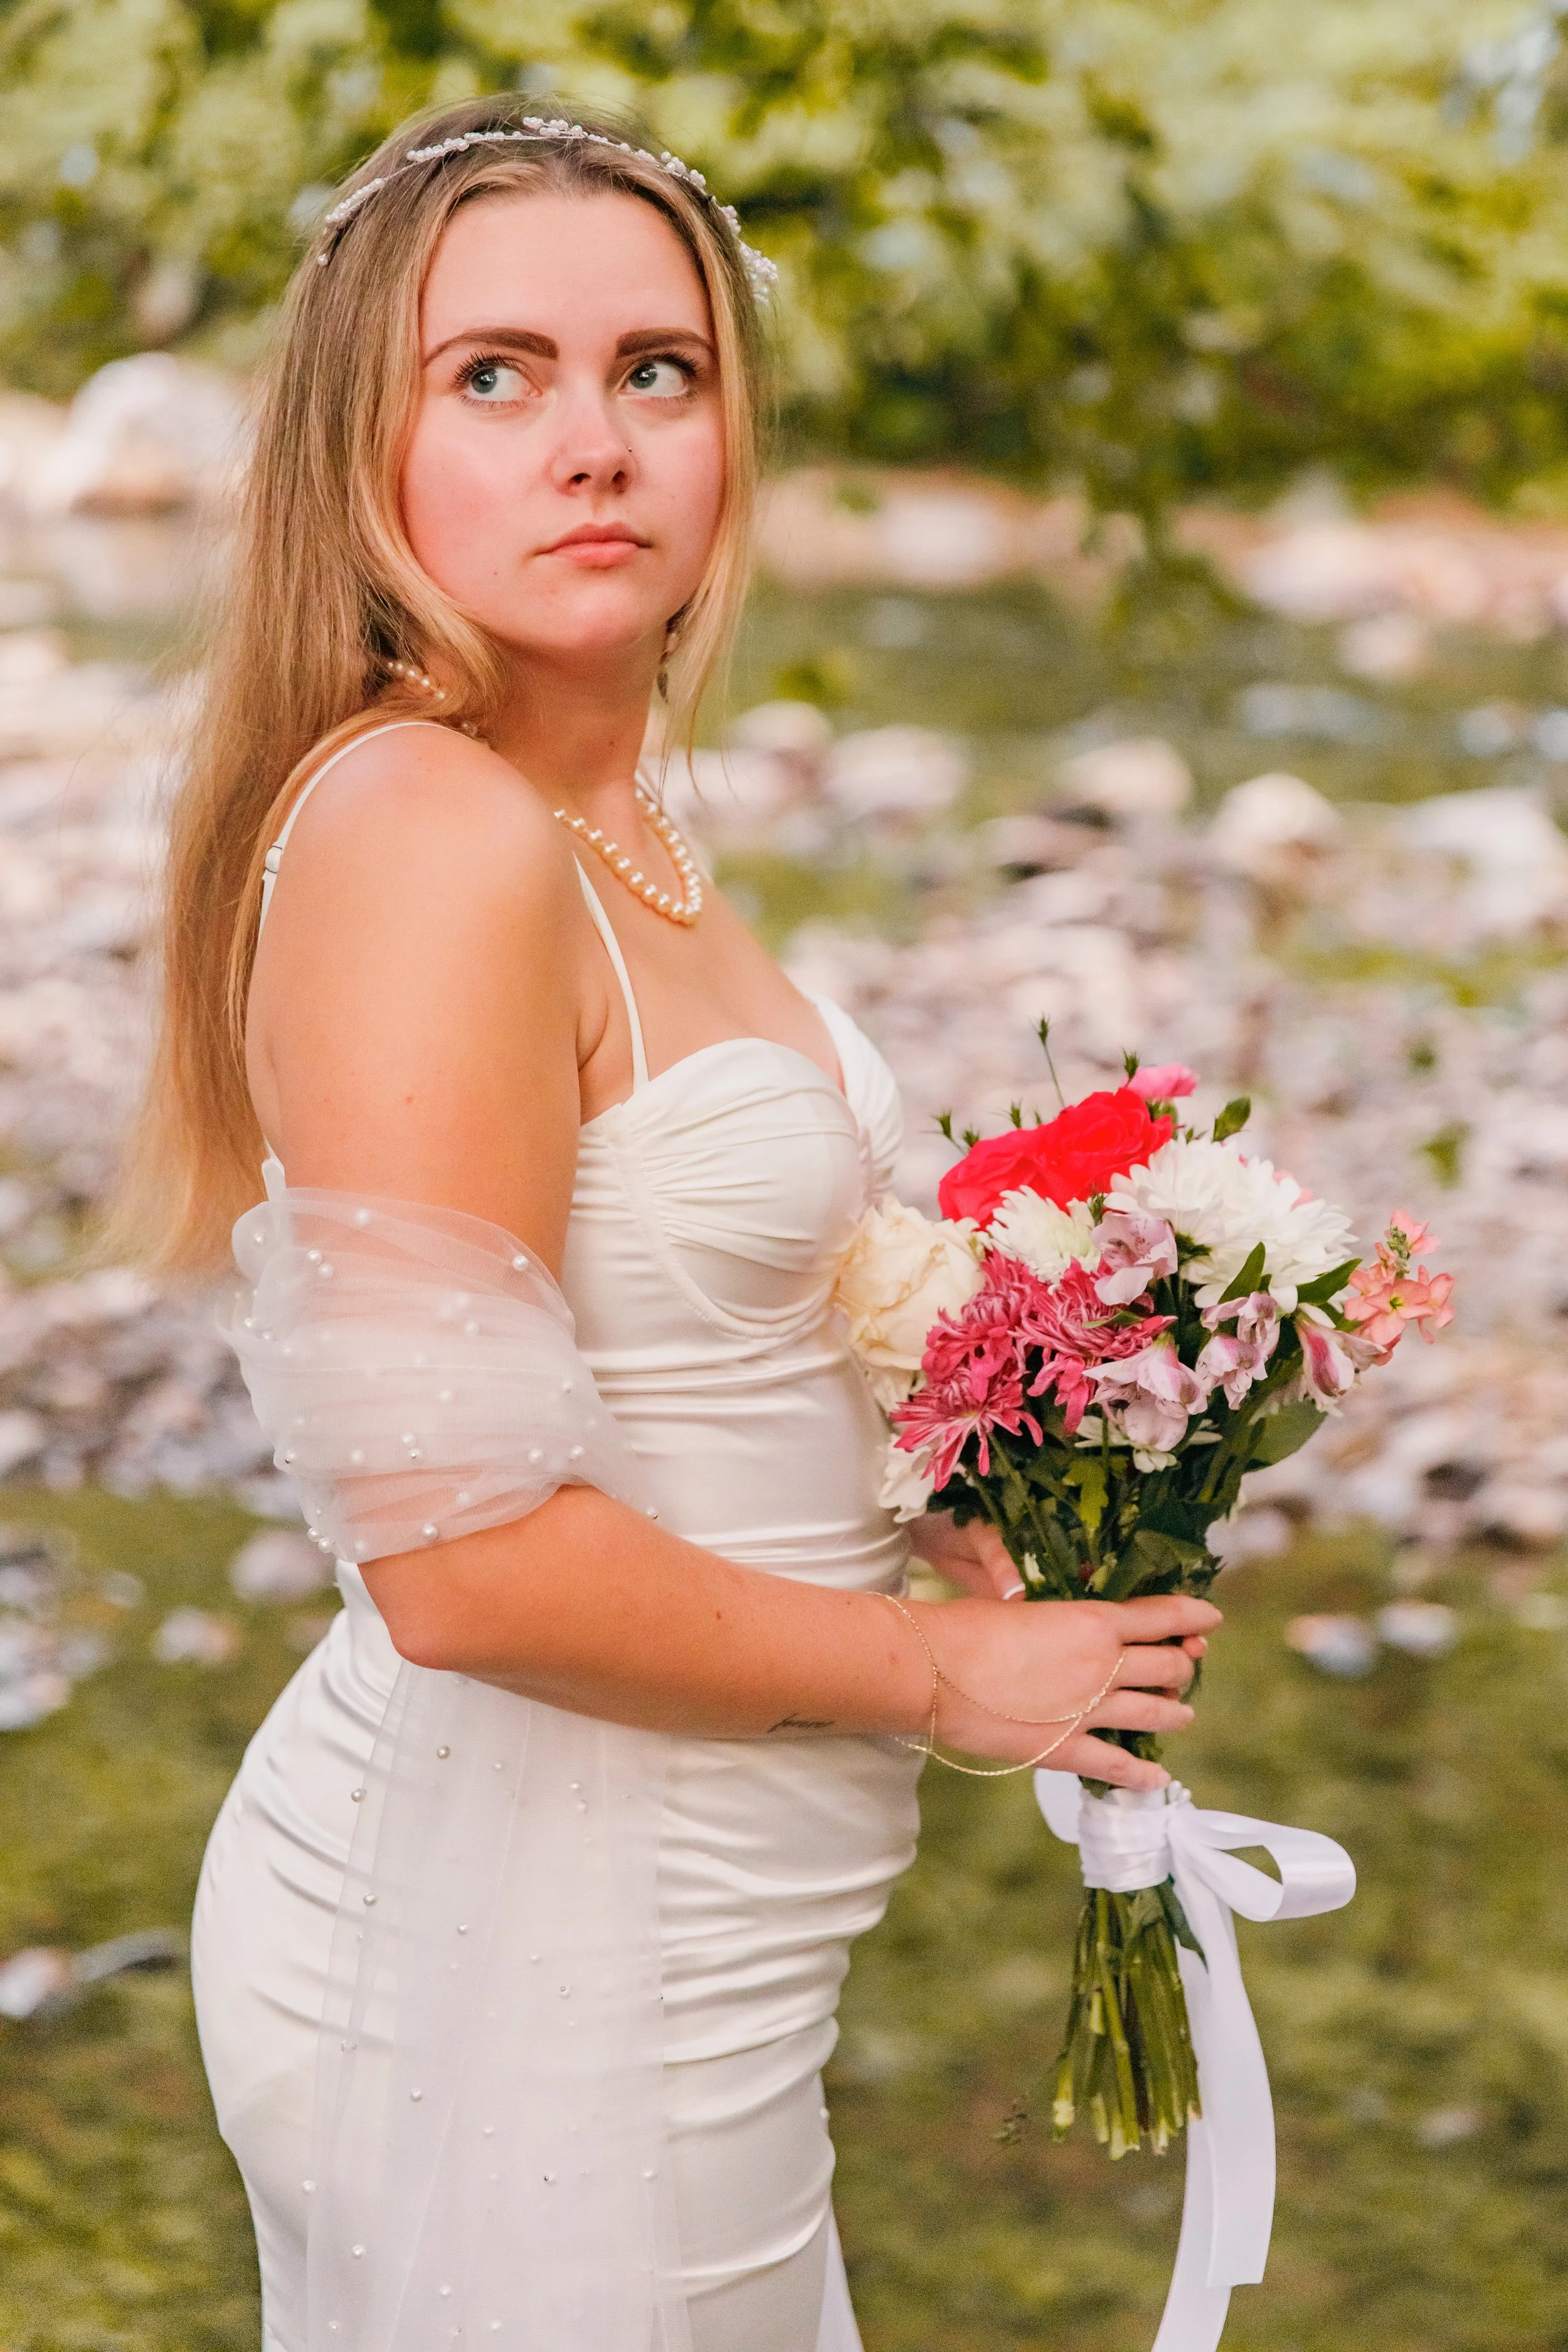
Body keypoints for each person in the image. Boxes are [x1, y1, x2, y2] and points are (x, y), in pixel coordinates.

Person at [115, 95, 1219, 2352]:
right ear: (367, 451)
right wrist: (945, 1679)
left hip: (696, 1921)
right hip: (519, 1934)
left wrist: (986, 1513)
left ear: (731, 438)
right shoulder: (434, 823)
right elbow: (457, 1559)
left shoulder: (614, 823)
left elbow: (694, 1341)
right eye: (493, 375)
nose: (593, 444)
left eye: (658, 371)